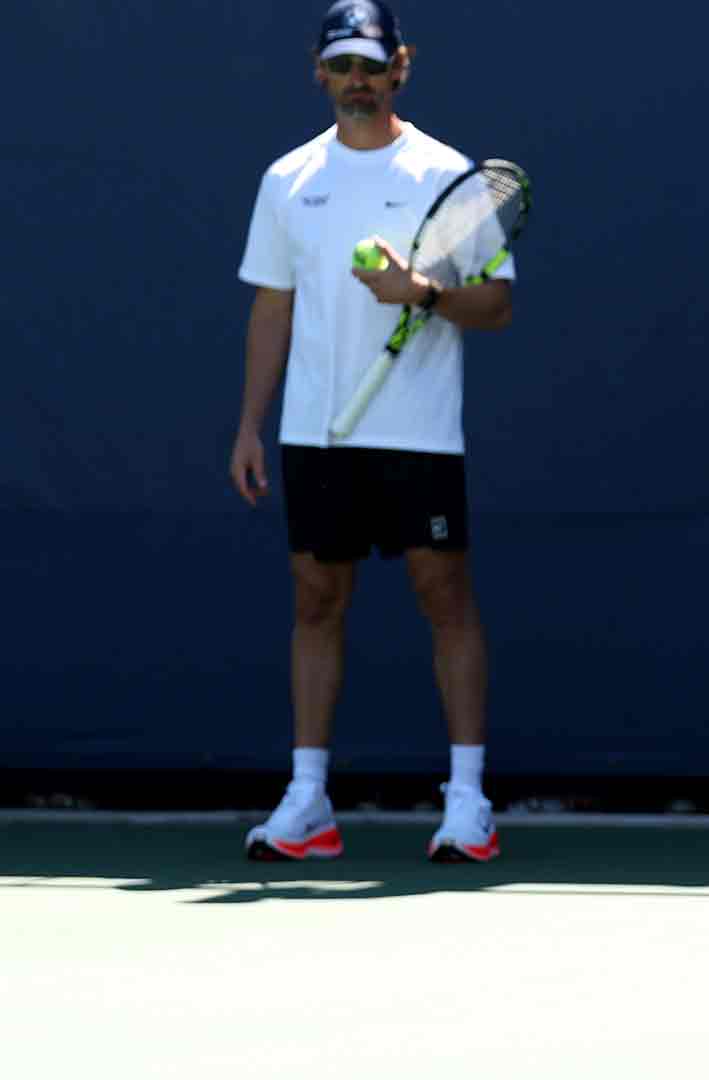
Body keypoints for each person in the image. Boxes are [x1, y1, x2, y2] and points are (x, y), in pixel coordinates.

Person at [228, 0, 516, 863]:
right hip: (316, 434)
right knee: (315, 600)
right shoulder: (287, 180)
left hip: (417, 435)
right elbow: (273, 303)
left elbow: (497, 304)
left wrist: (424, 293)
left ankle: (468, 803)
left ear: (402, 67)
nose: (357, 80)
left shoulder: (448, 176)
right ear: (319, 73)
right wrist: (251, 422)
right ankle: (309, 801)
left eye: (371, 64)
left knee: (444, 596)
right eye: (341, 65)